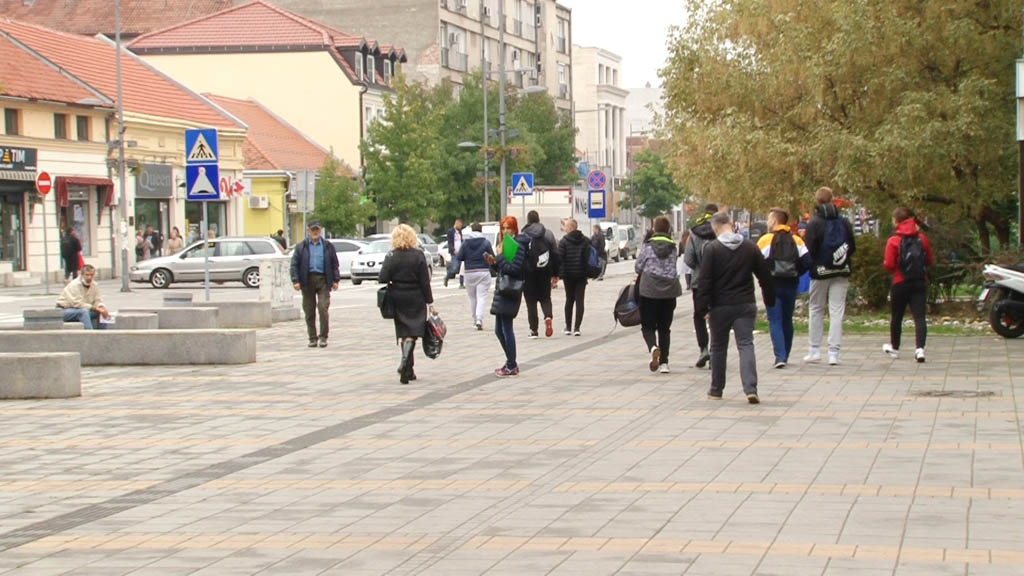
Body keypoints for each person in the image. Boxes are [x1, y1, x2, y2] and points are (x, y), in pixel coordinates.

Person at [695, 212, 775, 403]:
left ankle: (716, 390)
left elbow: (705, 281)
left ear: (715, 227)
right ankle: (750, 388)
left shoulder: (712, 249)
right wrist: (769, 299)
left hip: (720, 306)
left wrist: (701, 308)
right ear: (731, 224)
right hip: (745, 304)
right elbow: (764, 275)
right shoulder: (749, 247)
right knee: (746, 344)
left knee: (718, 347)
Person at [803, 186, 856, 365]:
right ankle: (834, 353)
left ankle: (814, 350)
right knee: (837, 310)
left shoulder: (814, 223)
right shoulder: (844, 222)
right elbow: (852, 247)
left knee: (816, 308)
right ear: (833, 200)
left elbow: (808, 249)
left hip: (820, 272)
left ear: (817, 201)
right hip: (841, 271)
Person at [379, 224, 436, 384]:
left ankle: (407, 367)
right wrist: (430, 302)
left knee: (404, 332)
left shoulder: (391, 255)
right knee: (413, 331)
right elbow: (425, 282)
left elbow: (382, 277)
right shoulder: (418, 255)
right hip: (416, 296)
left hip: (397, 295)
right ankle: (406, 365)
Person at [757, 208, 812, 368]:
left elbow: (755, 261)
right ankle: (786, 353)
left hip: (771, 285)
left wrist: (764, 275)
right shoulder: (797, 240)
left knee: (775, 319)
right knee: (787, 319)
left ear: (774, 221)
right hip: (791, 283)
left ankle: (779, 356)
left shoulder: (766, 240)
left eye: (769, 218)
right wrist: (796, 272)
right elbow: (808, 262)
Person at [883, 207, 934, 363]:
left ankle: (895, 348)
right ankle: (920, 349)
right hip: (919, 282)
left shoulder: (893, 241)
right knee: (919, 316)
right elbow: (930, 260)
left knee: (897, 316)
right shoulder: (922, 239)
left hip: (900, 282)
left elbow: (889, 265)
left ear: (897, 221)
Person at [636, 216, 684, 373]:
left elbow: (638, 267)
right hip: (669, 291)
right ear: (668, 229)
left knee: (648, 326)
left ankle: (652, 347)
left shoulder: (647, 246)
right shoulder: (673, 247)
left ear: (654, 229)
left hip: (649, 291)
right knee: (665, 328)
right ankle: (664, 363)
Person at [485, 216, 529, 377]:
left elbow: (514, 269)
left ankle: (511, 364)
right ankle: (511, 361)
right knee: (498, 330)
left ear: (514, 229)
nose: (505, 231)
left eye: (508, 228)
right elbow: (503, 269)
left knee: (506, 328)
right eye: (503, 228)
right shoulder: (504, 245)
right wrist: (494, 262)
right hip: (502, 289)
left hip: (511, 290)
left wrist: (500, 256)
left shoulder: (517, 246)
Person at [290, 220, 340, 348]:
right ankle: (312, 338)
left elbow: (335, 264)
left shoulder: (328, 246)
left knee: (323, 308)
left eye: (317, 229)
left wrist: (335, 280)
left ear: (321, 230)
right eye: (313, 230)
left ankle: (323, 337)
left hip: (323, 279)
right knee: (309, 310)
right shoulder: (302, 247)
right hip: (307, 280)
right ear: (308, 231)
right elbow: (294, 264)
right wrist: (295, 280)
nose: (315, 232)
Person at [683, 203, 719, 367]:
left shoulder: (695, 232)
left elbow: (688, 260)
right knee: (717, 316)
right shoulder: (721, 231)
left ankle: (703, 349)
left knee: (699, 315)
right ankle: (715, 351)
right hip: (719, 281)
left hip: (699, 282)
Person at [522, 210, 557, 338]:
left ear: (528, 220)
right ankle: (548, 317)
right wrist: (555, 274)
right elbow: (555, 254)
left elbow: (520, 254)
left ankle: (534, 330)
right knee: (545, 298)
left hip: (528, 273)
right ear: (539, 219)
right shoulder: (548, 234)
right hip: (544, 271)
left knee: (530, 302)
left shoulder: (524, 234)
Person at [456, 222, 495, 330]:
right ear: (481, 230)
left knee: (472, 298)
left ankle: (474, 320)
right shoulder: (486, 242)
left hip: (469, 272)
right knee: (481, 296)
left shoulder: (465, 243)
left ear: (471, 231)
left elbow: (459, 257)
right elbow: (492, 256)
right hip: (483, 271)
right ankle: (479, 319)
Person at [555, 218, 590, 336]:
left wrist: (557, 273)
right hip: (581, 275)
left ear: (570, 228)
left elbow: (559, 259)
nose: (565, 228)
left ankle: (568, 327)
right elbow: (587, 258)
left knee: (569, 299)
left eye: (566, 226)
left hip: (568, 275)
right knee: (580, 300)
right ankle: (577, 328)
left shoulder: (564, 241)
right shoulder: (585, 240)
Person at [55, 264, 109, 329]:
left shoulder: (94, 285)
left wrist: (101, 307)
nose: (89, 277)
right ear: (82, 275)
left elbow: (98, 300)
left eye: (91, 275)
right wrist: (95, 308)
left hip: (83, 309)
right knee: (83, 312)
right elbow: (77, 303)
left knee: (102, 312)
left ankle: (103, 334)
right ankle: (90, 335)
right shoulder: (74, 285)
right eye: (87, 275)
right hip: (64, 310)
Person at [444, 218, 464, 288]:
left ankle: (462, 283)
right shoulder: (451, 231)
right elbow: (450, 242)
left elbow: (461, 241)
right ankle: (447, 276)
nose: (461, 226)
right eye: (460, 225)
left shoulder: (460, 232)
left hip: (460, 252)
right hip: (454, 252)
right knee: (454, 268)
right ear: (456, 223)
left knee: (462, 268)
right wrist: (453, 250)